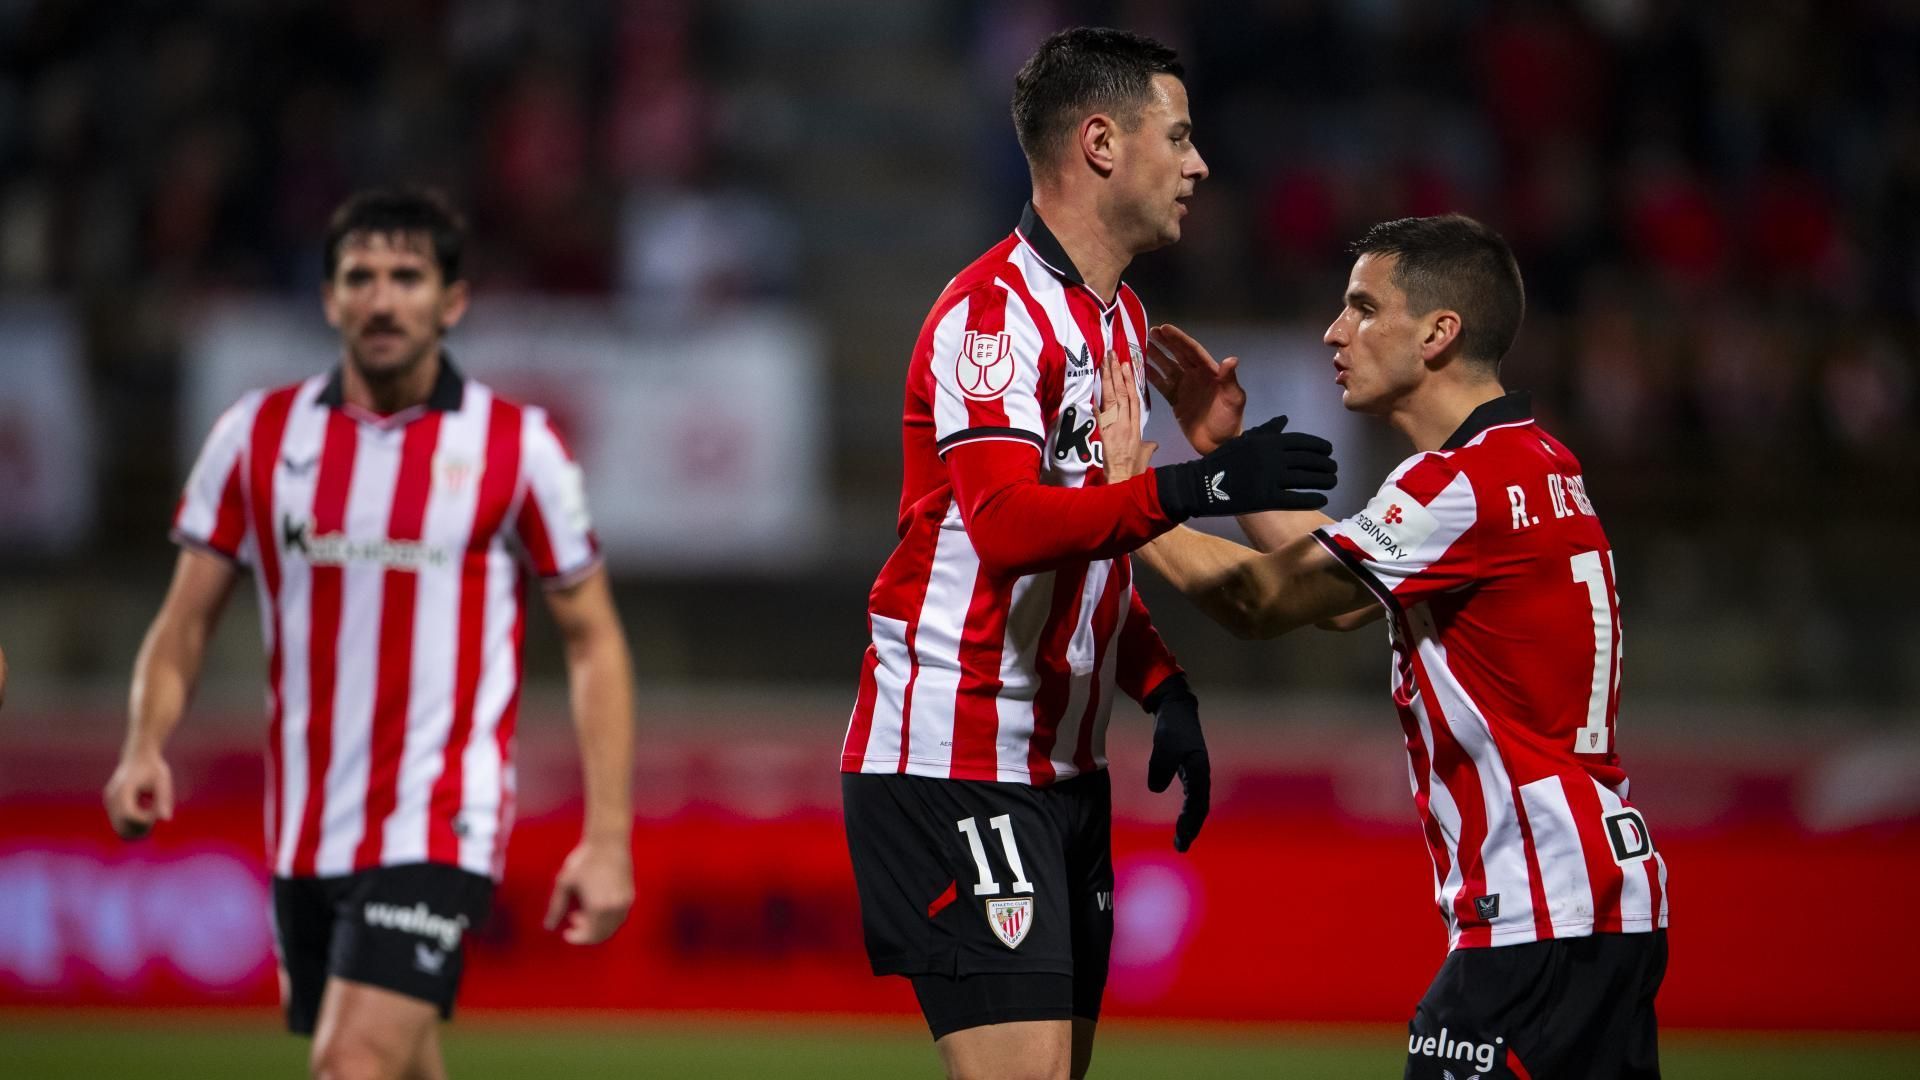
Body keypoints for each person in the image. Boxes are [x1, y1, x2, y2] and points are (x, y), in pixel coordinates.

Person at [838, 27, 1339, 1080]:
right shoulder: (993, 318)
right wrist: (1199, 485)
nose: (1201, 165)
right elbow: (1010, 529)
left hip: (1063, 769)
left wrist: (1162, 686)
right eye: (1181, 137)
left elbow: (1091, 543)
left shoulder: (1119, 323)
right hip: (958, 753)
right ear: (1102, 143)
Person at [1098, 213, 1669, 1079]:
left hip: (1535, 915)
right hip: (1606, 906)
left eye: (1364, 307)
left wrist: (1126, 499)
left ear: (1439, 334)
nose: (1336, 330)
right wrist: (1227, 450)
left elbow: (1265, 599)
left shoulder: (1460, 484)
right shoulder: (1535, 460)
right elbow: (1340, 597)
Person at [103, 189, 638, 1080]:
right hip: (306, 826)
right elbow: (185, 619)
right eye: (360, 277)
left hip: (440, 816)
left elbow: (595, 643)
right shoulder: (255, 437)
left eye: (406, 277)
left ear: (452, 302)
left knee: (349, 1065)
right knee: (399, 1063)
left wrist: (609, 835)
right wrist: (143, 745)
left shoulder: (518, 446)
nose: (382, 299)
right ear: (328, 299)